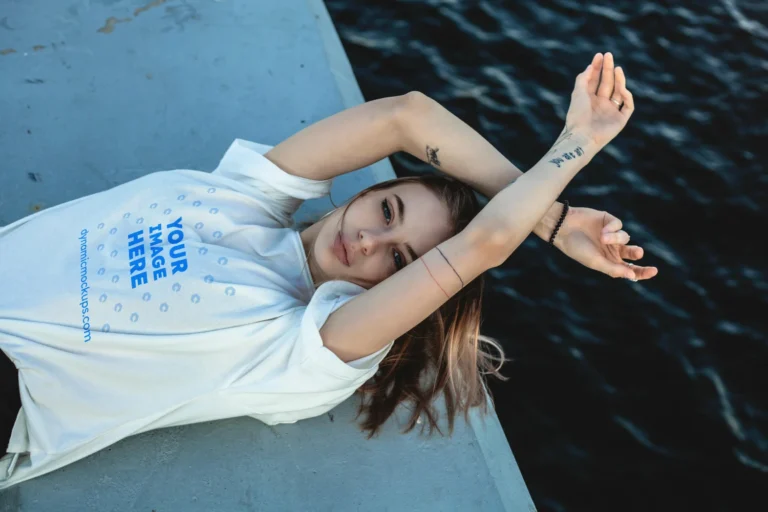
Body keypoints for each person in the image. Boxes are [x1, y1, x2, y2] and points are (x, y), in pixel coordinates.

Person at [0, 52, 656, 488]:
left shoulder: (306, 348)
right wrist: (556, 215)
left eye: (399, 261)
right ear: (365, 193)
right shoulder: (244, 192)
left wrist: (577, 145)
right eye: (387, 209)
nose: (369, 239)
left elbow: (484, 244)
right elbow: (404, 117)